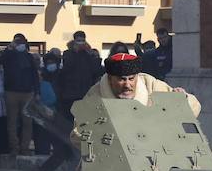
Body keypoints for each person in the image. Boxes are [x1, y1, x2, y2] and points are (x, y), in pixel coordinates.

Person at [73, 52, 201, 118]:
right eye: (122, 79)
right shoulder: (95, 94)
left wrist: (182, 100)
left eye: (131, 79)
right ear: (111, 79)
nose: (127, 85)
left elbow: (194, 107)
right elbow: (77, 134)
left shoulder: (151, 85)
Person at [0, 33, 39, 158]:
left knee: (27, 122)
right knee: (12, 121)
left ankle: (25, 147)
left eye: (22, 43)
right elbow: (0, 60)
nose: (20, 45)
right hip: (11, 92)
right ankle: (14, 147)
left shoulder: (29, 57)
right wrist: (9, 48)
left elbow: (34, 75)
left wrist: (37, 92)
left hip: (27, 93)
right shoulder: (9, 55)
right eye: (18, 42)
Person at [56, 31, 102, 124]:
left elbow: (96, 71)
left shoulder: (88, 55)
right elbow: (66, 69)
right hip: (70, 93)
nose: (81, 43)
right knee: (69, 119)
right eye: (78, 40)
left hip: (85, 93)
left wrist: (93, 55)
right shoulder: (67, 53)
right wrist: (75, 52)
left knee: (84, 119)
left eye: (82, 40)